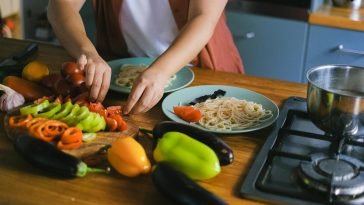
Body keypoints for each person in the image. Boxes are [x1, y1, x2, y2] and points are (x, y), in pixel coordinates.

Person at [47, 0, 243, 114]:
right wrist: (87, 52)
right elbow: (60, 6)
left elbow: (203, 18)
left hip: (200, 70)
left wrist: (160, 72)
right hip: (118, 76)